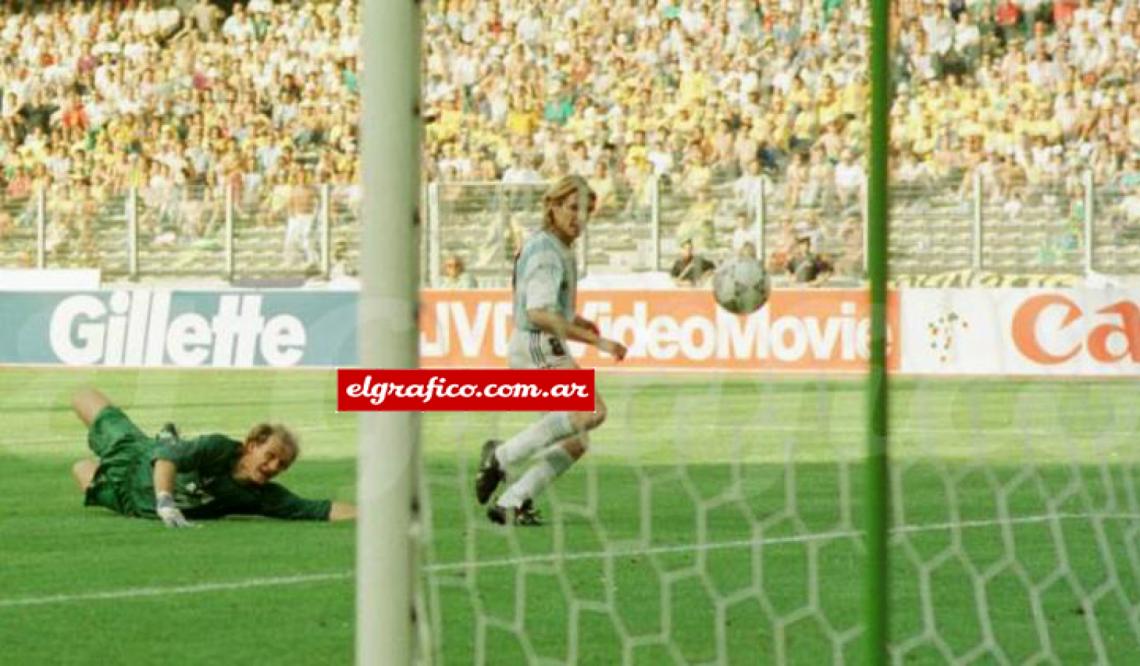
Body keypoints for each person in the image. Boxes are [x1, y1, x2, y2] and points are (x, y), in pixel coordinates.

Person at [474, 175, 627, 526]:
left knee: (577, 439)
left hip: (536, 344)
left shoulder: (554, 248)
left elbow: (548, 306)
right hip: (537, 346)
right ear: (552, 207)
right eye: (573, 208)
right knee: (591, 410)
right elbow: (538, 312)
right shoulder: (547, 252)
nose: (580, 217)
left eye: (586, 211)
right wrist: (597, 342)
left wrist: (579, 321)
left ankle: (513, 501)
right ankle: (500, 456)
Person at [69, 388, 355, 527]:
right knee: (84, 397)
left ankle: (172, 442)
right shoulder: (218, 449)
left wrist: (383, 519)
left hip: (128, 501)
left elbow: (321, 510)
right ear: (251, 445)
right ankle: (171, 442)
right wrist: (166, 503)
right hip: (138, 458)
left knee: (80, 469)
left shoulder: (260, 497)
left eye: (281, 465)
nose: (273, 467)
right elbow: (165, 461)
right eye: (270, 456)